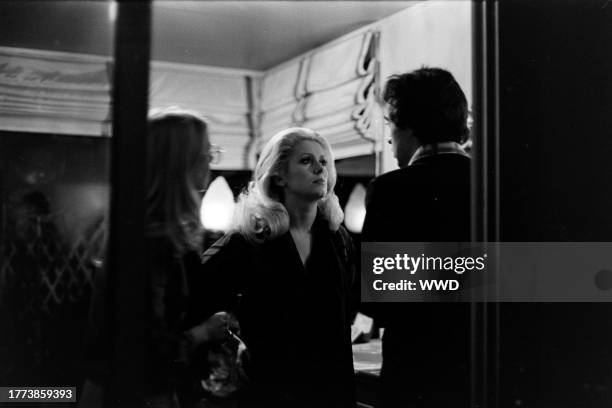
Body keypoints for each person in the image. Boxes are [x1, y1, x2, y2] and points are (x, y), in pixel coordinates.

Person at [81, 107, 229, 408]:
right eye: (206, 153)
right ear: (180, 164)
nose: (210, 161)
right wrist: (205, 332)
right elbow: (144, 348)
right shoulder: (154, 243)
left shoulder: (139, 232)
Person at [199, 127, 358, 408]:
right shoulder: (251, 238)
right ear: (279, 175)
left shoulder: (337, 238)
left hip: (332, 390)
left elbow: (348, 312)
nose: (319, 169)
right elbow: (197, 292)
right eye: (306, 160)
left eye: (324, 162)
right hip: (270, 392)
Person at [361, 68, 472, 407]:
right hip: (481, 368)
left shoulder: (390, 190)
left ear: (408, 126)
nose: (390, 138)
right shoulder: (498, 185)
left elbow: (376, 296)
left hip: (416, 370)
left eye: (390, 124)